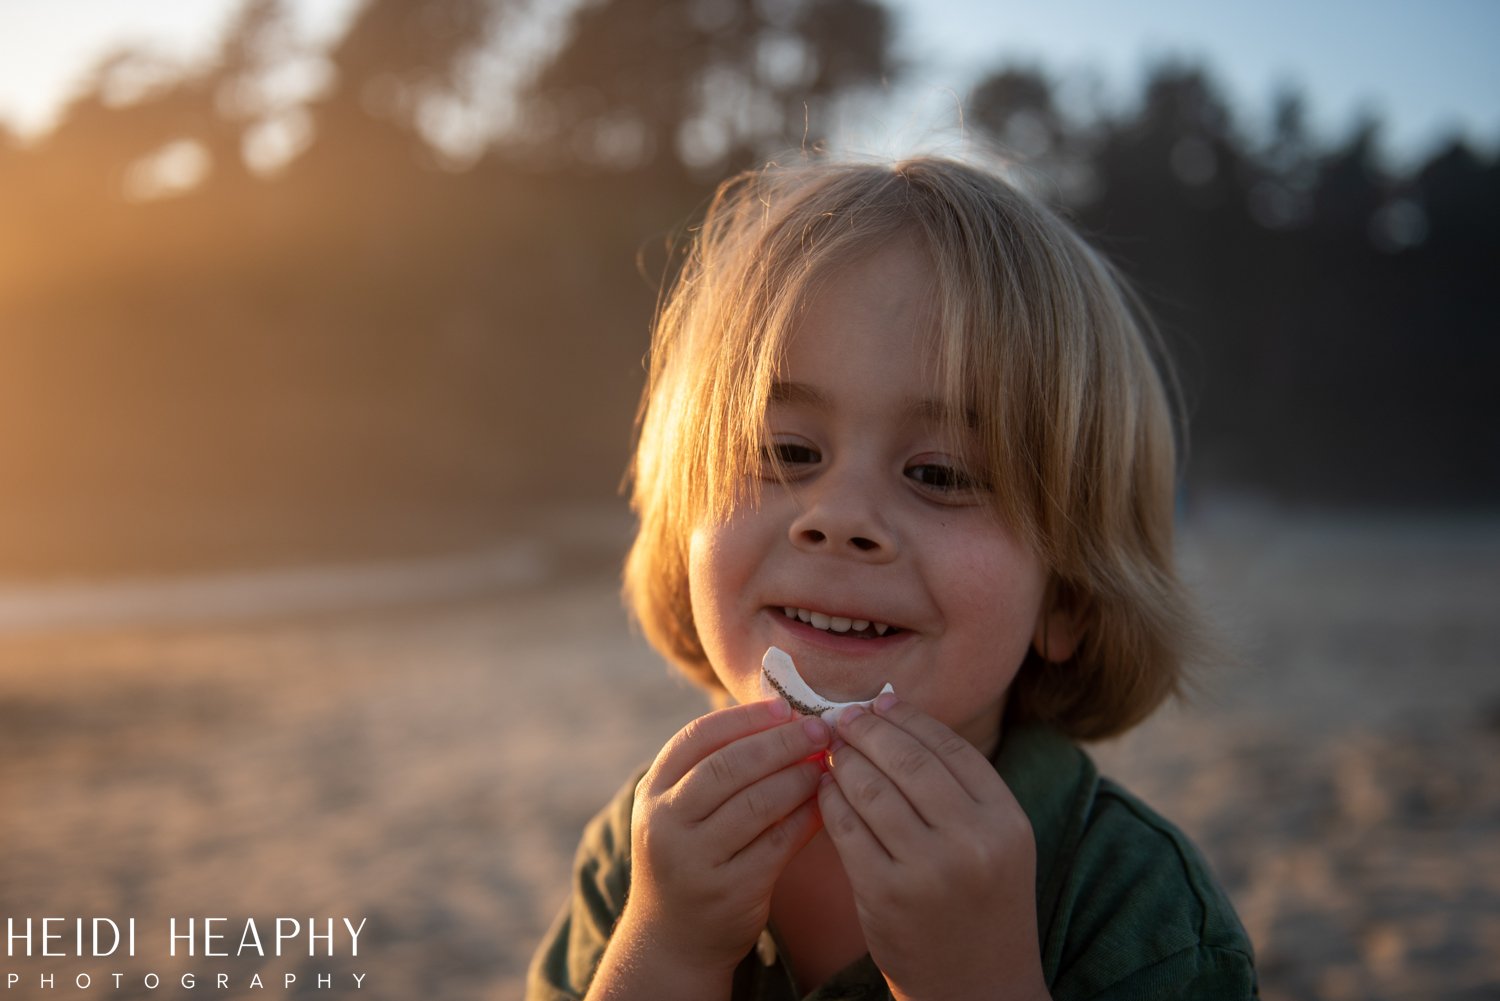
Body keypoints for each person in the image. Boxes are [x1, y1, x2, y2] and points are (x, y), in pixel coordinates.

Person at [527, 155, 1258, 1000]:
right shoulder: (644, 853)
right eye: (787, 452)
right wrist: (671, 946)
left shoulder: (1140, 911)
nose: (837, 517)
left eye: (941, 472)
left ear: (1068, 596)